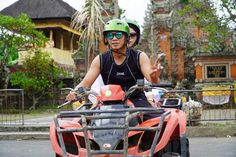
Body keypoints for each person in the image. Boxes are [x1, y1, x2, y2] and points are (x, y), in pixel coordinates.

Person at [66, 19, 162, 116]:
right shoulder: (100, 59)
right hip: (108, 101)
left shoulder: (140, 56)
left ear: (127, 38)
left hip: (136, 99)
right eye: (110, 35)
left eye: (119, 35)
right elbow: (85, 84)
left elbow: (152, 79)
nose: (114, 38)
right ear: (106, 39)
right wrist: (75, 92)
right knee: (84, 123)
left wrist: (154, 75)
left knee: (155, 121)